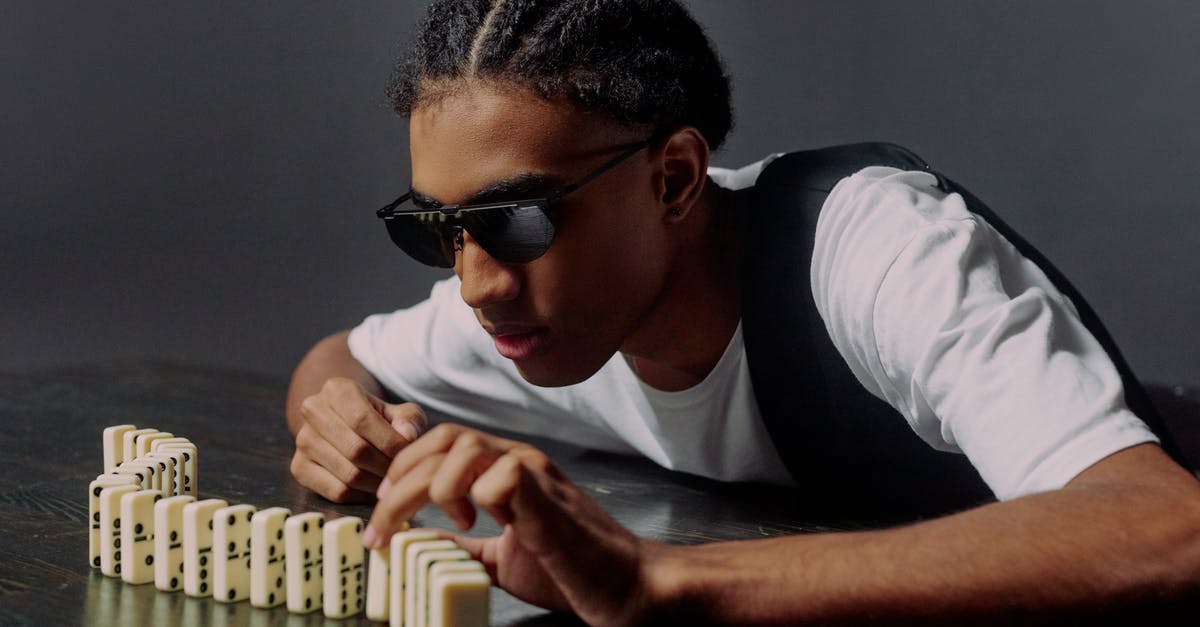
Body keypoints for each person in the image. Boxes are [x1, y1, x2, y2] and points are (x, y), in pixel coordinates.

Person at [285, 0, 1200, 623]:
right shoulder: (527, 308)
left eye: (516, 220)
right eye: (437, 230)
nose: (477, 282)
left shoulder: (874, 247)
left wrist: (658, 577)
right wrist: (340, 425)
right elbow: (340, 359)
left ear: (675, 177)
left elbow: (1168, 529)